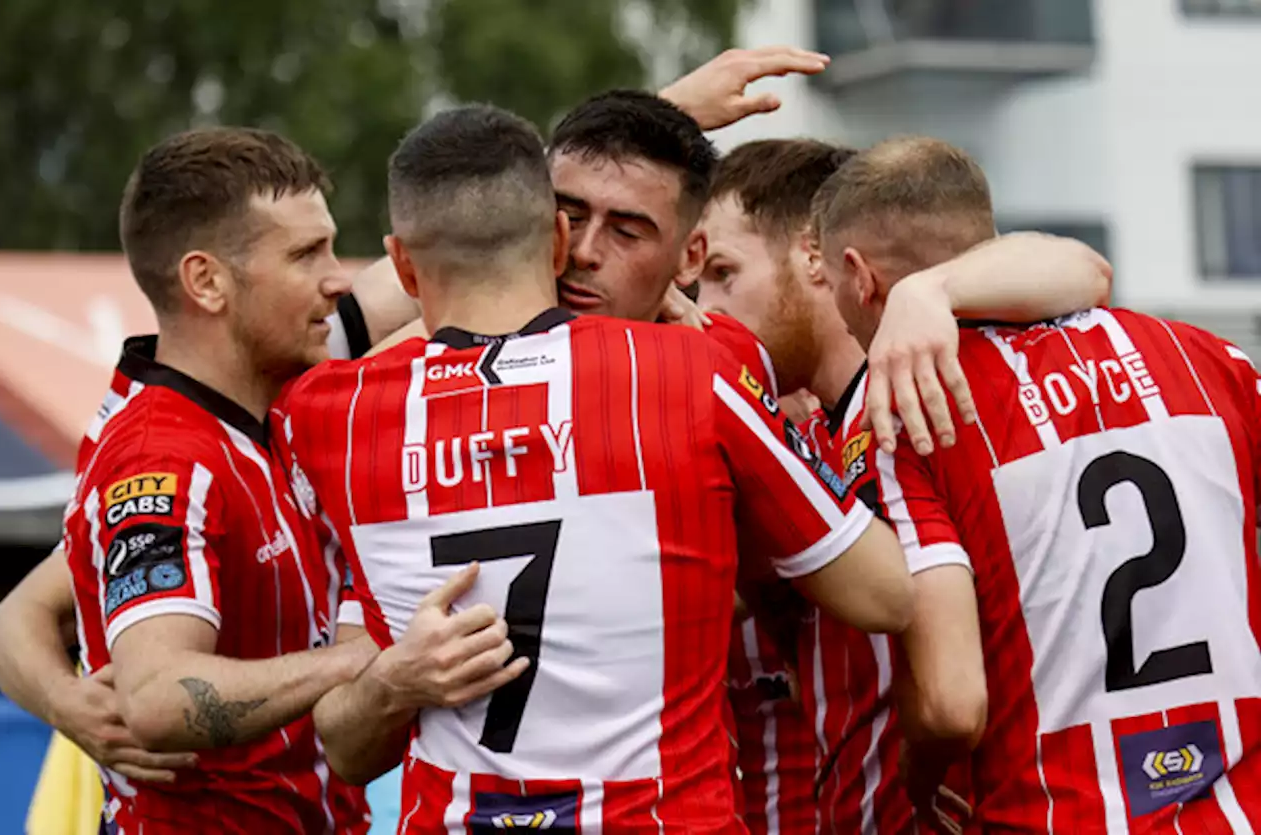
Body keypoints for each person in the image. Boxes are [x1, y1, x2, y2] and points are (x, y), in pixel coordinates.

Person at [279, 103, 918, 833]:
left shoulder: (337, 415)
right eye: (573, 218)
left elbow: (345, 743)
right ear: (553, 236)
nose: (587, 252)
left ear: (401, 263)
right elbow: (888, 595)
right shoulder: (702, 372)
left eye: (626, 229)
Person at [0, 127, 512, 835]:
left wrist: (648, 122)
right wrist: (363, 660)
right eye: (305, 254)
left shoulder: (273, 388)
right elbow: (156, 695)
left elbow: (450, 239)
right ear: (207, 282)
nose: (336, 278)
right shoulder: (162, 460)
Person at [817, 135, 1261, 833]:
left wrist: (920, 775)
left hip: (1055, 814)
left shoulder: (905, 419)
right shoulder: (1204, 355)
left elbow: (947, 703)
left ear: (858, 275)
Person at [697, 137, 1113, 834]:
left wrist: (931, 288)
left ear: (815, 257)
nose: (705, 307)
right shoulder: (802, 434)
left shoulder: (913, 407)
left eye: (722, 272)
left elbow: (1087, 271)